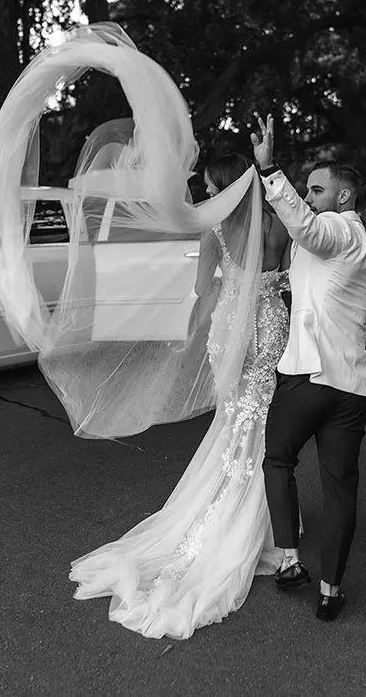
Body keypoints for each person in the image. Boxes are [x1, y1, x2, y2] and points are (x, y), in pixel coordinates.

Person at [68, 153, 293, 639]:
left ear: (228, 188)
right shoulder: (278, 224)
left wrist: (221, 289)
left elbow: (202, 287)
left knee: (233, 419)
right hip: (273, 324)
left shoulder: (215, 231)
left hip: (233, 328)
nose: (207, 195)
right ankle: (262, 523)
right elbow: (288, 277)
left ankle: (236, 516)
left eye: (212, 187)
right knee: (261, 418)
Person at [250, 114, 366, 622]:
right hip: (351, 385)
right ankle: (330, 591)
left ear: (343, 197)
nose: (307, 196)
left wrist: (270, 171)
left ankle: (289, 561)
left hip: (308, 377)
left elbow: (305, 226)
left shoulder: (336, 229)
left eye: (316, 189)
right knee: (340, 488)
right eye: (305, 189)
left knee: (277, 459)